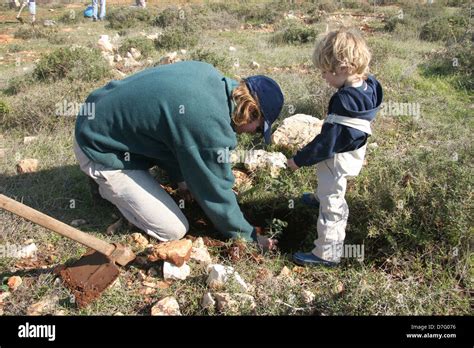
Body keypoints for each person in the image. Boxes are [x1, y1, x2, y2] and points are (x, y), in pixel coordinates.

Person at [74, 60, 284, 250]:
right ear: (251, 111)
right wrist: (247, 236)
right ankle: (106, 187)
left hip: (96, 114)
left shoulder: (208, 75)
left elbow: (171, 130)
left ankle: (110, 181)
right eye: (257, 129)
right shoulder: (209, 125)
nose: (252, 134)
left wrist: (180, 178)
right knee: (174, 229)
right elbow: (215, 190)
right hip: (97, 145)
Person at [287, 27, 383, 266]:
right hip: (354, 151)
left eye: (326, 72)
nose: (323, 77)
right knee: (329, 189)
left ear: (343, 68)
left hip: (337, 158)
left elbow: (327, 142)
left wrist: (298, 159)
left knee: (333, 201)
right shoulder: (370, 85)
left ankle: (327, 253)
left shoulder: (343, 100)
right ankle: (320, 197)